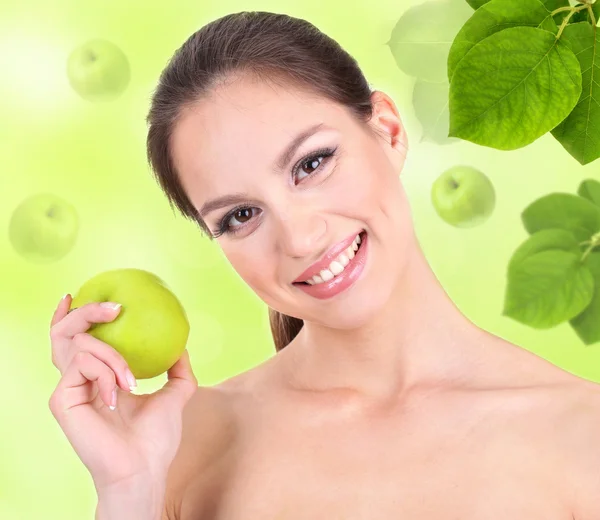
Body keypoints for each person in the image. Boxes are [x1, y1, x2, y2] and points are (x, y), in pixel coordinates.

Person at [48, 10, 600, 520]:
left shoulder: (582, 437)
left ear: (387, 129)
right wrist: (128, 489)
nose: (300, 236)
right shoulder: (179, 445)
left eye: (311, 163)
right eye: (241, 215)